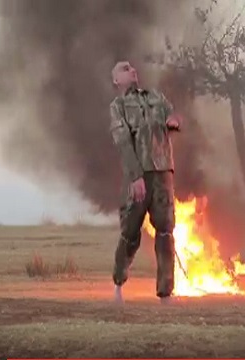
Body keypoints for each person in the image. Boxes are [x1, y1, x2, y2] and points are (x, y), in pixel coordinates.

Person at [108, 61, 183, 304]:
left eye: (132, 67)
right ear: (117, 80)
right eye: (124, 68)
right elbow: (122, 142)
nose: (132, 69)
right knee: (130, 233)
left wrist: (173, 120)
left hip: (163, 172)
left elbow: (172, 114)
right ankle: (119, 283)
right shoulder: (118, 106)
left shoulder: (156, 97)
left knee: (165, 232)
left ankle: (165, 294)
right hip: (139, 175)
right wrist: (135, 176)